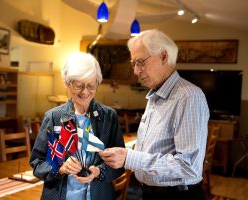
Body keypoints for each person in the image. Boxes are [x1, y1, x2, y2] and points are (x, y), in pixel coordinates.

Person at [99, 29, 209, 200]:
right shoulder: (155, 95)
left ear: (163, 56)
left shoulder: (188, 97)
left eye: (140, 62)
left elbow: (188, 166)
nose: (136, 71)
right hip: (149, 193)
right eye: (133, 63)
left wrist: (130, 157)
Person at [30, 52, 125, 200]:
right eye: (78, 85)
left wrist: (98, 172)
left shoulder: (109, 117)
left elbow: (119, 165)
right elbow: (37, 164)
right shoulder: (54, 117)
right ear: (67, 83)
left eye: (91, 85)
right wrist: (60, 168)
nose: (85, 91)